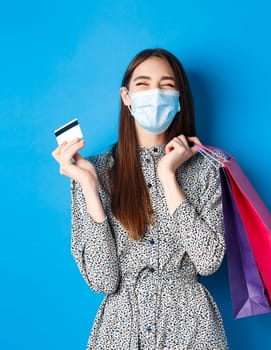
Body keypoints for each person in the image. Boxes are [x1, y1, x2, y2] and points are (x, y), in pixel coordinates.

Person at [51, 48, 229, 349]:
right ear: (126, 96)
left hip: (191, 330)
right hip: (120, 330)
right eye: (143, 84)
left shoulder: (208, 166)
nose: (155, 94)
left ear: (180, 98)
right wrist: (89, 186)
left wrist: (168, 176)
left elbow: (208, 261)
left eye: (167, 85)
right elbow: (102, 279)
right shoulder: (94, 170)